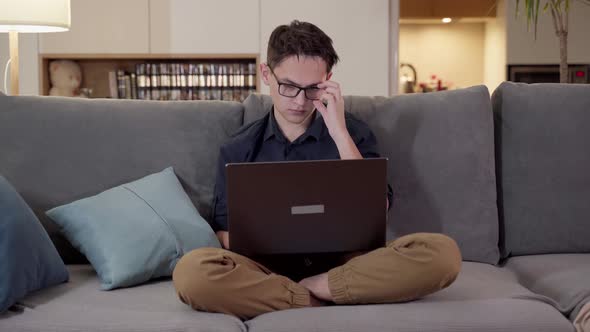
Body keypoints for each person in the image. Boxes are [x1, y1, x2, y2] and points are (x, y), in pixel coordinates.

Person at [172, 20, 462, 320]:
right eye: (288, 87)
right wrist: (274, 238)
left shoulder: (353, 134)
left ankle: (321, 288)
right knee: (192, 273)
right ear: (266, 74)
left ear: (328, 80)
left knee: (443, 255)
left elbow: (378, 207)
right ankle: (312, 297)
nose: (299, 101)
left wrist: (338, 133)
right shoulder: (239, 147)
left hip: (349, 263)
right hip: (266, 268)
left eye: (312, 89)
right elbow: (223, 233)